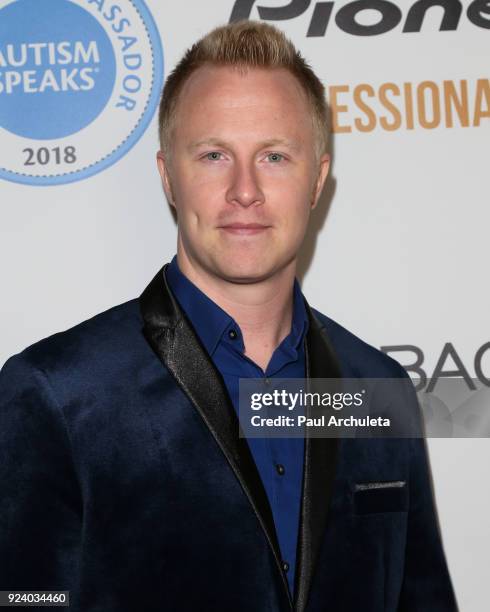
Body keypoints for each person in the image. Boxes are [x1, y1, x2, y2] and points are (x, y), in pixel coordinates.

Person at [0, 21, 456, 612]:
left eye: (274, 155)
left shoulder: (379, 390)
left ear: (315, 181)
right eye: (214, 155)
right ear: (169, 177)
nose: (245, 190)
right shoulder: (54, 395)